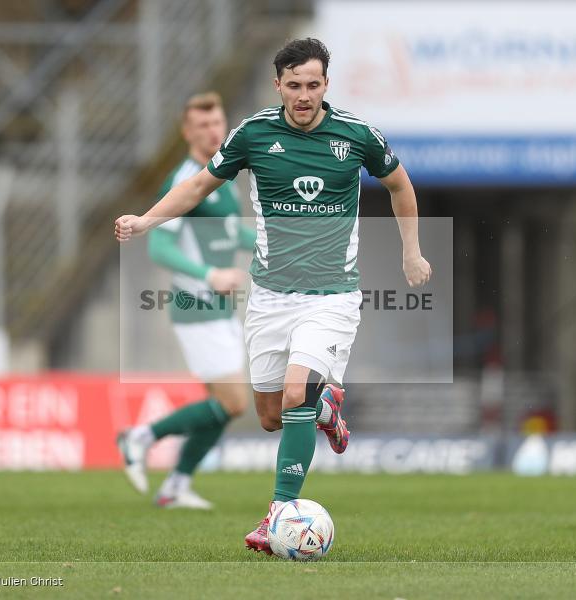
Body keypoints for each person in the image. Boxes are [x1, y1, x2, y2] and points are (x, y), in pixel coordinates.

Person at [115, 39, 431, 550]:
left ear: (326, 84)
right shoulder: (255, 134)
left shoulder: (356, 136)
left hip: (331, 297)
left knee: (294, 394)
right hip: (269, 299)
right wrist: (147, 220)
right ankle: (326, 410)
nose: (304, 95)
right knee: (269, 417)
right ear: (277, 84)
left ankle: (280, 513)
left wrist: (411, 252)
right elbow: (197, 187)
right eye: (294, 85)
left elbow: (400, 184)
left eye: (313, 84)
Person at [117, 91, 255, 510]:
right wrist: (209, 274)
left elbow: (233, 234)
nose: (213, 132)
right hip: (197, 307)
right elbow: (160, 247)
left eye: (218, 123)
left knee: (223, 406)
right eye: (203, 126)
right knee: (235, 402)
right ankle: (141, 436)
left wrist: (278, 242)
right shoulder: (184, 179)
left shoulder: (220, 175)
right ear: (186, 132)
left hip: (218, 308)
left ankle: (176, 486)